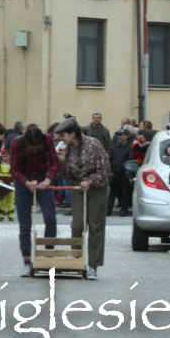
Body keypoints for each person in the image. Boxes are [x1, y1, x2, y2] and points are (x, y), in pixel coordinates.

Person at [55, 117, 110, 279]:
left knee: (96, 226)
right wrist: (62, 161)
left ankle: (93, 266)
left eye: (63, 135)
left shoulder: (93, 144)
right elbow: (66, 175)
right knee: (77, 225)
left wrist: (90, 181)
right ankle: (77, 260)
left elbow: (104, 169)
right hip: (78, 187)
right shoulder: (67, 148)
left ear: (73, 134)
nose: (61, 139)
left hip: (97, 188)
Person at [9, 125, 59, 277]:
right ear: (26, 143)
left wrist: (48, 180)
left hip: (43, 178)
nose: (35, 151)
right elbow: (14, 169)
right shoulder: (16, 142)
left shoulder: (48, 138)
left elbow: (54, 162)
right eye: (32, 148)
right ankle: (26, 262)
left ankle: (48, 258)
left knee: (50, 219)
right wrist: (26, 183)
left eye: (38, 148)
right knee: (25, 225)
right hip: (23, 181)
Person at [107, 128, 134, 217]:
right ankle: (108, 210)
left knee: (125, 193)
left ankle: (124, 210)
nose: (119, 137)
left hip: (124, 173)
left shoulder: (130, 148)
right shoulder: (115, 147)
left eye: (121, 135)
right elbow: (110, 160)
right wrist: (110, 171)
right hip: (115, 173)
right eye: (118, 135)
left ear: (126, 136)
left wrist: (129, 174)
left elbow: (130, 161)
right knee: (112, 193)